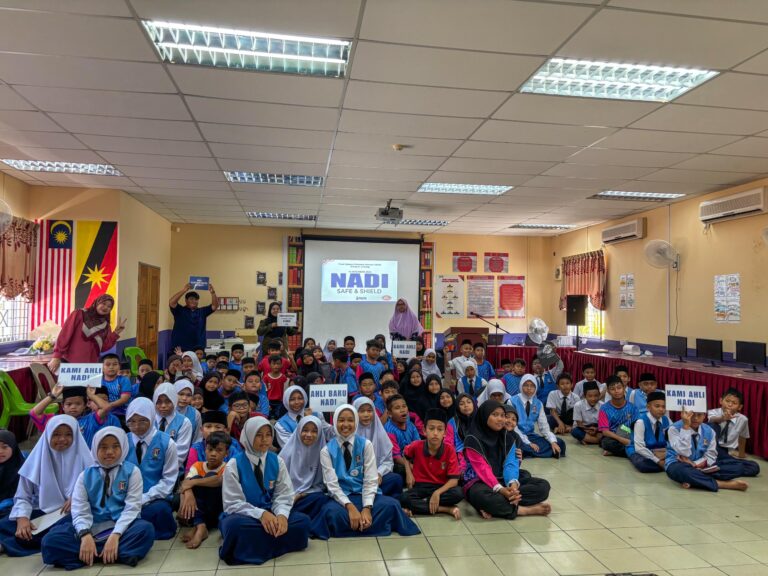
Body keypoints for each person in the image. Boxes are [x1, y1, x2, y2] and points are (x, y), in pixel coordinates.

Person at [41, 427, 155, 570]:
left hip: (122, 528)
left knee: (145, 530)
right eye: (103, 447)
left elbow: (132, 508)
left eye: (115, 446)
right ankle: (110, 554)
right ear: (95, 449)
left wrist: (115, 535)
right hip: (92, 527)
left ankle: (90, 554)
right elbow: (79, 510)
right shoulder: (85, 475)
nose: (109, 452)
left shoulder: (132, 472)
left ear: (123, 447)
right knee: (49, 541)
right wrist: (85, 535)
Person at [219, 417, 311, 565]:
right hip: (246, 516)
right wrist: (261, 514)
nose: (265, 440)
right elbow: (232, 503)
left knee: (303, 521)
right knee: (234, 527)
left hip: (271, 512)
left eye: (268, 435)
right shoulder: (234, 464)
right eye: (258, 435)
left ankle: (256, 545)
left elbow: (284, 494)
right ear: (248, 436)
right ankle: (276, 542)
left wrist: (281, 515)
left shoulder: (277, 461)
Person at [318, 404, 420, 538]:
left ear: (356, 422)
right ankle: (371, 524)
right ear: (335, 422)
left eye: (350, 420)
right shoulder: (326, 451)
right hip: (343, 497)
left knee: (392, 505)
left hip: (364, 493)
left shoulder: (366, 444)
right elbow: (332, 486)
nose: (346, 424)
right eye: (341, 420)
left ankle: (353, 525)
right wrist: (350, 507)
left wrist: (367, 508)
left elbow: (371, 480)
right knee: (330, 512)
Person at [0, 415, 93, 556]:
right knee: (6, 524)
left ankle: (7, 545)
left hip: (73, 514)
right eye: (56, 434)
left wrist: (79, 498)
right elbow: (22, 496)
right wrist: (22, 518)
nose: (62, 439)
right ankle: (20, 539)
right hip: (43, 512)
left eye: (68, 434)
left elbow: (97, 492)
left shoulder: (87, 461)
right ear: (48, 435)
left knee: (61, 530)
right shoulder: (35, 461)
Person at [462, 401, 551, 520]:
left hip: (502, 479)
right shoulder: (472, 439)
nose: (500, 419)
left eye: (502, 415)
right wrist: (501, 490)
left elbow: (511, 464)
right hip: (481, 481)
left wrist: (513, 487)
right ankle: (523, 510)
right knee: (481, 496)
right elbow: (483, 469)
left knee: (543, 486)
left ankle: (500, 505)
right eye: (495, 415)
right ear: (484, 416)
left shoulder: (507, 436)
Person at [124, 398, 178, 540]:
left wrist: (145, 498)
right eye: (131, 421)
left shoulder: (167, 443)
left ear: (152, 417)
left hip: (155, 498)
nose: (137, 426)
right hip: (126, 497)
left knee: (160, 510)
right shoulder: (122, 442)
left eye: (143, 421)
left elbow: (168, 479)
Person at [666, 408, 749, 492]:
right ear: (684, 414)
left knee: (737, 467)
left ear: (704, 416)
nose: (695, 418)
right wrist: (686, 427)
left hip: (702, 466)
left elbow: (711, 455)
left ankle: (694, 480)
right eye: (692, 415)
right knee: (683, 471)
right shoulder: (674, 429)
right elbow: (684, 453)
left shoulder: (709, 431)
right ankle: (722, 484)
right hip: (678, 464)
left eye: (699, 415)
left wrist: (695, 464)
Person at [400, 409, 463, 519]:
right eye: (431, 428)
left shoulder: (449, 450)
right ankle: (445, 509)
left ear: (445, 433)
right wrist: (409, 473)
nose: (435, 433)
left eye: (440, 429)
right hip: (420, 486)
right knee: (404, 498)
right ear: (424, 430)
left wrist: (437, 493)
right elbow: (405, 455)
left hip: (441, 486)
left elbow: (454, 480)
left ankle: (422, 504)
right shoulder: (416, 445)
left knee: (458, 493)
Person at [280, 416, 334, 539]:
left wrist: (300, 495)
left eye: (314, 431)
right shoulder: (286, 454)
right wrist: (290, 496)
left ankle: (301, 522)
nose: (309, 435)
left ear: (320, 434)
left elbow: (322, 485)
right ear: (298, 430)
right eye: (305, 430)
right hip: (287, 497)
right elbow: (278, 485)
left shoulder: (324, 454)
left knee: (322, 499)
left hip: (307, 497)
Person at [48, 294, 126, 374]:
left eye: (109, 306)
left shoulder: (105, 326)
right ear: (97, 302)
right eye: (103, 303)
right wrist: (56, 356)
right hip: (70, 363)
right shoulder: (79, 314)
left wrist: (116, 333)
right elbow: (65, 335)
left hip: (90, 367)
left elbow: (103, 347)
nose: (105, 307)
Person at [178, 431, 230, 549]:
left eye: (219, 450)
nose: (213, 454)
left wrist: (192, 483)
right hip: (199, 508)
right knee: (194, 481)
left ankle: (197, 526)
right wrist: (189, 494)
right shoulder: (197, 465)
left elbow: (218, 480)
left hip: (217, 509)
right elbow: (185, 484)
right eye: (210, 449)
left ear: (226, 453)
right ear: (205, 450)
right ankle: (200, 526)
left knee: (207, 477)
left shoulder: (228, 467)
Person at [30, 384, 118, 448]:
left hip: (84, 462)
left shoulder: (91, 420)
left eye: (78, 404)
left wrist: (91, 395)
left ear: (85, 405)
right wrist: (53, 396)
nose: (73, 407)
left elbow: (106, 407)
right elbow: (34, 413)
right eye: (69, 404)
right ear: (62, 406)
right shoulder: (56, 421)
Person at [353, 397, 402, 497]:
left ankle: (373, 496)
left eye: (369, 411)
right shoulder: (350, 434)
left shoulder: (380, 434)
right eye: (361, 411)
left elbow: (388, 461)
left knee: (396, 479)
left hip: (377, 478)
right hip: (355, 478)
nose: (366, 415)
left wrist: (379, 473)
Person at [707, 388, 760, 478]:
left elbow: (742, 437)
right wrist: (723, 418)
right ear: (721, 401)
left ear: (740, 407)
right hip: (711, 448)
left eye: (734, 403)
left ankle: (713, 467)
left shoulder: (743, 419)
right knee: (713, 425)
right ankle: (717, 465)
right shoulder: (713, 412)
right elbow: (712, 420)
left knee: (754, 467)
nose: (730, 404)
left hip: (725, 453)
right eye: (727, 401)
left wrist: (741, 454)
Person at [512, 375, 564, 458]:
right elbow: (513, 427)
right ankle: (531, 451)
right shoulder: (512, 401)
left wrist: (552, 442)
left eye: (532, 386)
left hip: (530, 435)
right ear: (521, 386)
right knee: (517, 445)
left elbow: (544, 427)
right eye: (526, 385)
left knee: (560, 443)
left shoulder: (538, 404)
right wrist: (528, 443)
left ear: (536, 387)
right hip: (516, 435)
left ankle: (528, 452)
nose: (529, 388)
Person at [627, 391, 670, 473]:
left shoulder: (666, 420)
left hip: (660, 450)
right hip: (640, 450)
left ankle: (667, 464)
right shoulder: (641, 422)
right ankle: (667, 465)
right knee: (644, 465)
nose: (661, 409)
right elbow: (639, 448)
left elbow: (671, 442)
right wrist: (658, 461)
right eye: (657, 406)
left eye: (664, 407)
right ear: (648, 407)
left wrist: (664, 453)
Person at [153, 383, 193, 470]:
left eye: (168, 401)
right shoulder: (149, 420)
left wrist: (159, 470)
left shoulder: (184, 422)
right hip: (148, 470)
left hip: (172, 471)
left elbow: (180, 455)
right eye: (159, 402)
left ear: (174, 401)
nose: (163, 406)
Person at [169, 282, 218, 352]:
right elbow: (171, 302)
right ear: (186, 300)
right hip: (180, 348)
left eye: (196, 299)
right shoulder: (180, 310)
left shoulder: (202, 311)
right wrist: (184, 290)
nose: (194, 301)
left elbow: (214, 306)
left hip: (198, 348)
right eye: (191, 299)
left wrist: (213, 293)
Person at [598, 376, 638, 457]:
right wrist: (622, 440)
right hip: (613, 437)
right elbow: (605, 431)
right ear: (608, 391)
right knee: (606, 443)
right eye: (612, 389)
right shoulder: (604, 408)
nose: (616, 391)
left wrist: (630, 438)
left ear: (624, 388)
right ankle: (634, 450)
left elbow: (636, 427)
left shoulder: (633, 407)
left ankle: (616, 451)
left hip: (629, 435)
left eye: (619, 388)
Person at [101, 353, 133, 422]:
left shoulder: (124, 380)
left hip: (122, 414)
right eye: (108, 364)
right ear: (102, 367)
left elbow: (124, 399)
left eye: (115, 364)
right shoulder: (98, 381)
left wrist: (109, 405)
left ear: (119, 366)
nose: (111, 367)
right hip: (103, 413)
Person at [0, 431, 23, 518]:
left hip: (13, 512)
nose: (0, 451)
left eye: (4, 447)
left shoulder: (23, 470)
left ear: (13, 447)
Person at [175, 379, 202, 444]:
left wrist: (193, 450)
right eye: (181, 394)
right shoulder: (166, 410)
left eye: (188, 395)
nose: (184, 398)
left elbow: (197, 438)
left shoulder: (195, 414)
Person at [263, 354, 289, 420]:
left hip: (279, 402)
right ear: (270, 365)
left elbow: (285, 390)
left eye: (278, 364)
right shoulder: (266, 377)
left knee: (278, 417)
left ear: (281, 365)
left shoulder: (283, 377)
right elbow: (264, 390)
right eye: (274, 364)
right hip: (269, 401)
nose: (276, 366)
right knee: (267, 417)